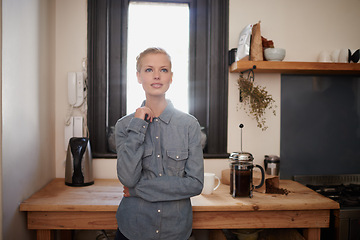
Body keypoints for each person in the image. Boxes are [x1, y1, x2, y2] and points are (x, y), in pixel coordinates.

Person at [114, 47, 204, 240]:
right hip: (133, 230)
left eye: (163, 70)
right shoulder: (124, 126)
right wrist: (138, 125)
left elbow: (195, 184)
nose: (156, 76)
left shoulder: (189, 125)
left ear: (171, 77)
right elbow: (127, 179)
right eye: (149, 70)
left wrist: (137, 190)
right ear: (138, 77)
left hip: (176, 231)